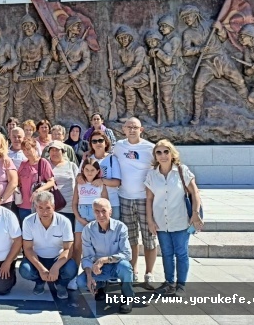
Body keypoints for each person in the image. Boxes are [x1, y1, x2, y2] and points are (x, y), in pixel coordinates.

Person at [146, 139, 204, 295]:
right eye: (159, 152)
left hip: (180, 219)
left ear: (172, 153)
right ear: (155, 155)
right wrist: (150, 220)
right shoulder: (152, 174)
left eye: (166, 151)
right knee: (166, 253)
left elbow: (194, 193)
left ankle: (181, 285)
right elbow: (149, 199)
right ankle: (169, 283)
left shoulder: (181, 170)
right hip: (161, 221)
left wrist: (195, 213)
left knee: (181, 252)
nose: (163, 155)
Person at [113, 117, 157, 288]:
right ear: (123, 129)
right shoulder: (119, 146)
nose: (132, 130)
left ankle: (149, 272)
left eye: (135, 127)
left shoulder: (150, 148)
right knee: (131, 237)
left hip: (145, 199)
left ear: (142, 129)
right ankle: (134, 270)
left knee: (149, 237)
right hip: (124, 197)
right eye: (129, 127)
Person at [77, 198, 134, 314]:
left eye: (103, 211)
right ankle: (100, 287)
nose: (100, 214)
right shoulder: (88, 229)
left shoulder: (120, 227)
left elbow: (127, 254)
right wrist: (89, 275)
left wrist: (105, 260)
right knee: (81, 281)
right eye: (97, 211)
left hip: (116, 265)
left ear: (110, 211)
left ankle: (127, 297)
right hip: (99, 268)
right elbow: (87, 257)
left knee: (125, 267)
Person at [19, 191, 78, 298]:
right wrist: (41, 269)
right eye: (40, 208)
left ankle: (61, 284)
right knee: (25, 270)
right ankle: (40, 282)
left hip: (58, 258)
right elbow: (27, 249)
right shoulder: (28, 221)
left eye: (47, 208)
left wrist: (56, 267)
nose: (44, 212)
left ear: (53, 207)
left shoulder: (64, 222)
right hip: (38, 257)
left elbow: (68, 249)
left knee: (72, 268)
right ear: (35, 207)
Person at [72, 158, 109, 284]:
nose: (89, 172)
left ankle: (98, 275)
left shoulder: (101, 185)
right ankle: (73, 275)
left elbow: (105, 205)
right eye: (86, 170)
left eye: (92, 170)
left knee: (96, 247)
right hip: (81, 218)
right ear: (83, 170)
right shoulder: (79, 184)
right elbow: (74, 203)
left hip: (96, 219)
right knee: (77, 246)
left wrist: (99, 221)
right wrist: (79, 219)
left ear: (97, 171)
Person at [16, 137, 55, 222]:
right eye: (24, 150)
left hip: (39, 206)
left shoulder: (43, 162)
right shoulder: (23, 164)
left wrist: (38, 190)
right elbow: (18, 181)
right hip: (23, 205)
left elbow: (51, 182)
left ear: (35, 148)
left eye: (29, 149)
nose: (26, 152)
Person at [87, 130, 121, 219]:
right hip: (93, 203)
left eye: (100, 140)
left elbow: (117, 182)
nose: (97, 143)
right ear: (91, 144)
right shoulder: (88, 160)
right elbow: (81, 178)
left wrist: (102, 181)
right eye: (94, 141)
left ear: (106, 143)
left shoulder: (112, 159)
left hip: (112, 203)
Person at [45, 140, 79, 230]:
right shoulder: (45, 165)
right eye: (52, 150)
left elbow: (78, 185)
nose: (54, 152)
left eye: (57, 150)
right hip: (50, 208)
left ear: (63, 152)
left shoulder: (71, 166)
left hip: (69, 207)